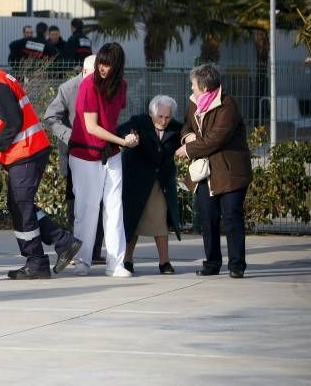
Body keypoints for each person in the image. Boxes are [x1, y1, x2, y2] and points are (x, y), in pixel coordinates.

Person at [0, 44, 81, 280]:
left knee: (21, 207)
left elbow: (13, 121)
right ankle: (59, 245)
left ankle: (40, 259)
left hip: (26, 152)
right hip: (26, 152)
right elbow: (2, 124)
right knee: (19, 206)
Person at [68, 42, 139, 277]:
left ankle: (115, 264)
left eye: (108, 64)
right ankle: (81, 261)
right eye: (101, 62)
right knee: (86, 208)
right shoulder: (88, 85)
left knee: (114, 208)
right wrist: (122, 141)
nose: (102, 68)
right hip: (85, 153)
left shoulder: (122, 86)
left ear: (117, 65)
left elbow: (111, 121)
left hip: (110, 153)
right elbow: (91, 127)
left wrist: (126, 138)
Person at [175, 63, 252, 279]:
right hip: (205, 174)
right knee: (208, 219)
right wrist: (187, 136)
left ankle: (237, 265)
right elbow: (186, 126)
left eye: (194, 85)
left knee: (231, 217)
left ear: (205, 86)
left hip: (230, 172)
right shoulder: (194, 103)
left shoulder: (227, 105)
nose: (191, 88)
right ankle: (212, 262)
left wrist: (188, 148)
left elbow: (215, 139)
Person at [42, 54, 106, 265]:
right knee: (76, 204)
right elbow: (50, 117)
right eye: (95, 73)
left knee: (99, 203)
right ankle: (75, 249)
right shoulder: (69, 88)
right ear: (85, 71)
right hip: (75, 155)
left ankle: (94, 251)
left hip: (101, 154)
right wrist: (71, 137)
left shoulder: (105, 86)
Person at [117, 95, 183, 275]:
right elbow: (120, 131)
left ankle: (164, 262)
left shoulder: (176, 128)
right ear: (151, 113)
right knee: (133, 220)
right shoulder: (139, 121)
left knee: (160, 220)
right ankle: (127, 260)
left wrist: (189, 140)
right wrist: (129, 136)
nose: (164, 121)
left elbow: (186, 136)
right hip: (136, 181)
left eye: (167, 117)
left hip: (160, 182)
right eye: (160, 116)